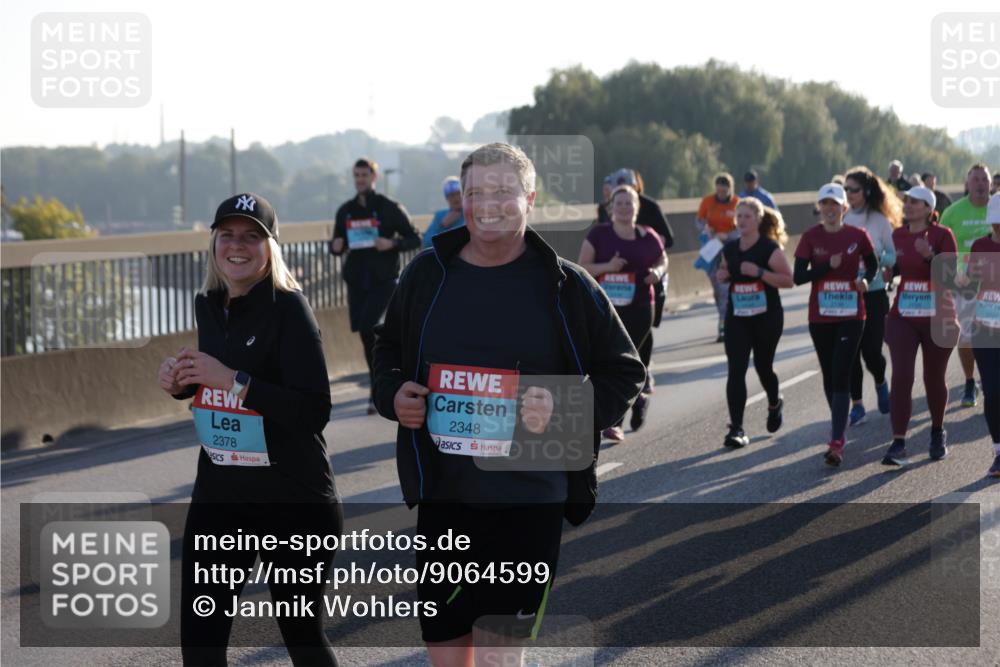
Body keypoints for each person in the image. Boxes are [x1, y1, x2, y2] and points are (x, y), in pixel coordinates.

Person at [372, 143, 645, 667]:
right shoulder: (427, 275)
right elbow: (388, 350)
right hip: (445, 499)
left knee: (499, 659)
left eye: (502, 191)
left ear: (530, 198)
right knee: (447, 656)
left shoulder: (566, 284)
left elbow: (625, 371)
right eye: (475, 192)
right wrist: (393, 394)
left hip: (528, 502)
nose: (487, 204)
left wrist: (565, 408)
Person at [160, 193, 342, 666]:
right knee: (200, 643)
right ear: (213, 243)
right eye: (227, 235)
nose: (237, 246)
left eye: (251, 237)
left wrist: (233, 380)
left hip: (293, 499)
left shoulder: (290, 308)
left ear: (271, 247)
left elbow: (313, 410)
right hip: (221, 496)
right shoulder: (208, 304)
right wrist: (182, 383)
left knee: (302, 636)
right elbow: (219, 380)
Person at [794, 183, 878, 466]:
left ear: (844, 208)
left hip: (852, 315)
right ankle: (838, 427)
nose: (830, 209)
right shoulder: (810, 237)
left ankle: (837, 441)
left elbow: (873, 265)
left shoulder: (858, 235)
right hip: (820, 317)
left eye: (835, 204)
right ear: (820, 208)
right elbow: (798, 277)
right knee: (830, 375)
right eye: (825, 204)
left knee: (841, 371)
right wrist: (826, 266)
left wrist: (865, 280)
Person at [330, 158, 421, 415]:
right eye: (356, 175)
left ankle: (377, 389)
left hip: (384, 281)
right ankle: (380, 382)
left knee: (369, 327)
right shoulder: (346, 210)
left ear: (374, 177)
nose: (360, 180)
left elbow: (415, 238)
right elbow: (337, 243)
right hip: (357, 282)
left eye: (364, 175)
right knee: (366, 336)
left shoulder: (389, 207)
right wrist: (335, 247)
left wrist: (392, 244)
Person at [578, 184, 667, 441]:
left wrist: (657, 272)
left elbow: (663, 259)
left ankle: (613, 422)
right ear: (611, 208)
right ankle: (638, 398)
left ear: (637, 208)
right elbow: (582, 267)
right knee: (606, 362)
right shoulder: (599, 235)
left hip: (641, 308)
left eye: (630, 203)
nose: (625, 208)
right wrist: (609, 266)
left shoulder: (648, 235)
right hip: (606, 309)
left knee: (623, 362)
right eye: (620, 203)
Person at [880, 187, 959, 467]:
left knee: (933, 378)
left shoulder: (942, 235)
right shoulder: (898, 235)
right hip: (904, 316)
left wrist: (929, 255)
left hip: (939, 316)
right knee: (901, 375)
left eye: (914, 202)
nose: (908, 205)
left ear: (928, 208)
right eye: (907, 201)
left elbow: (950, 277)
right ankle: (898, 442)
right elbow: (900, 267)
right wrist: (890, 273)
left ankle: (937, 432)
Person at [714, 198, 793, 448]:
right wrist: (723, 275)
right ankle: (736, 428)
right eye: (739, 216)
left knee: (763, 366)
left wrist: (759, 272)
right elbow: (723, 271)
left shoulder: (769, 249)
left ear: (758, 219)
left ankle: (774, 402)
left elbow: (788, 280)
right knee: (736, 369)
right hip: (738, 317)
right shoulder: (730, 249)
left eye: (747, 216)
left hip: (766, 317)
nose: (742, 221)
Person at [843, 166, 900, 425]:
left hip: (875, 293)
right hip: (848, 295)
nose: (849, 194)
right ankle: (857, 405)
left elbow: (893, 255)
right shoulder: (843, 219)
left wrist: (876, 257)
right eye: (846, 189)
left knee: (871, 351)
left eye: (853, 189)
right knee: (851, 353)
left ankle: (880, 380)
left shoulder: (879, 220)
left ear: (866, 191)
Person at [940, 163, 993, 407]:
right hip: (965, 284)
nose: (980, 184)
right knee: (966, 336)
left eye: (984, 179)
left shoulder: (997, 207)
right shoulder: (952, 213)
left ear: (990, 184)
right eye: (976, 180)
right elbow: (942, 248)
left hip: (995, 283)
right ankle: (970, 381)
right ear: (967, 184)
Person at [965, 192, 1000, 477]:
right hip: (985, 328)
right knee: (992, 390)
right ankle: (999, 451)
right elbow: (970, 284)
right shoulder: (979, 246)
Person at [696, 173, 741, 342]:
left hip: (731, 248)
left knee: (725, 289)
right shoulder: (707, 201)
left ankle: (725, 325)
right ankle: (725, 320)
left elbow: (742, 228)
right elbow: (699, 220)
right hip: (712, 248)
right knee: (717, 289)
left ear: (730, 189)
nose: (721, 194)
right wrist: (706, 228)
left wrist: (727, 235)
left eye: (724, 191)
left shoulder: (737, 203)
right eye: (719, 191)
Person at [422, 177, 465, 249]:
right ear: (446, 198)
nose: (456, 198)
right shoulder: (440, 216)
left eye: (458, 193)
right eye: (451, 195)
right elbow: (427, 243)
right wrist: (442, 226)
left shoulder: (471, 214)